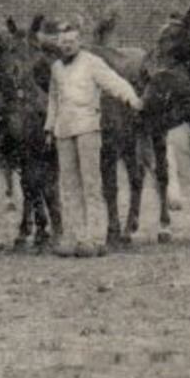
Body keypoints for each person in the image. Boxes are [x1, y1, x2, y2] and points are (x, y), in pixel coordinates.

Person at [46, 21, 143, 257]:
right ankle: (75, 237)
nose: (67, 46)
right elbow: (54, 99)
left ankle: (96, 238)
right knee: (69, 186)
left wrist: (132, 98)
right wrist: (49, 128)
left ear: (78, 42)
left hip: (88, 128)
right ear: (59, 45)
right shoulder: (57, 68)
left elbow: (114, 82)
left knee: (91, 183)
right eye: (63, 43)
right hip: (63, 130)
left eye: (71, 42)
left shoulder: (91, 62)